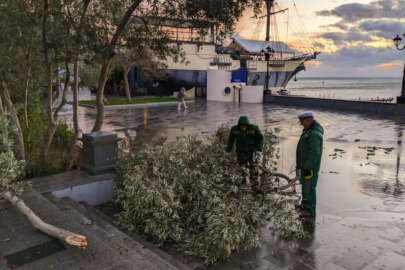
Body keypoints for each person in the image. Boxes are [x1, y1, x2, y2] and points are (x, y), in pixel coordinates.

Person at [296, 112, 324, 217]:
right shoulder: (309, 131)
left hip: (310, 168)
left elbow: (314, 153)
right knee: (305, 188)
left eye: (302, 122)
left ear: (309, 120)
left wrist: (307, 167)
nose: (301, 124)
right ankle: (304, 206)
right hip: (305, 166)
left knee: (310, 189)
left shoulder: (314, 134)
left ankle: (310, 211)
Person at [226, 116, 264, 185]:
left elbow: (260, 139)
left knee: (254, 168)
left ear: (247, 125)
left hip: (252, 151)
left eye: (245, 126)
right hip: (241, 152)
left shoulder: (254, 128)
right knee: (243, 168)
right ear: (239, 125)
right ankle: (245, 183)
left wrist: (259, 149)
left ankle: (256, 184)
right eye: (242, 126)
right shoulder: (234, 130)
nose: (243, 128)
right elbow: (230, 140)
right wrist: (228, 150)